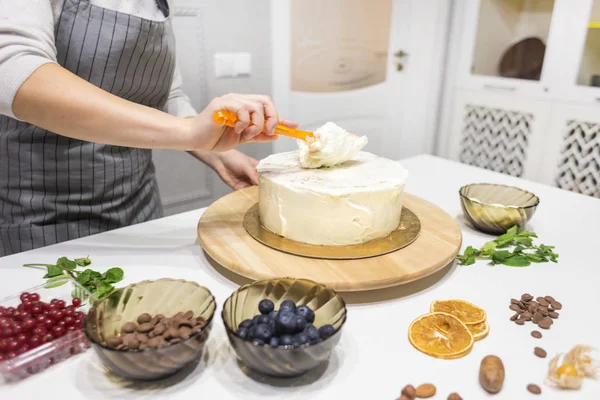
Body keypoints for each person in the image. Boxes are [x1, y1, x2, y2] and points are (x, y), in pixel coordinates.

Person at [0, 0, 297, 256]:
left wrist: (220, 153)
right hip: (43, 216)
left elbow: (168, 96)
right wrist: (190, 132)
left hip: (139, 205)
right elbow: (13, 70)